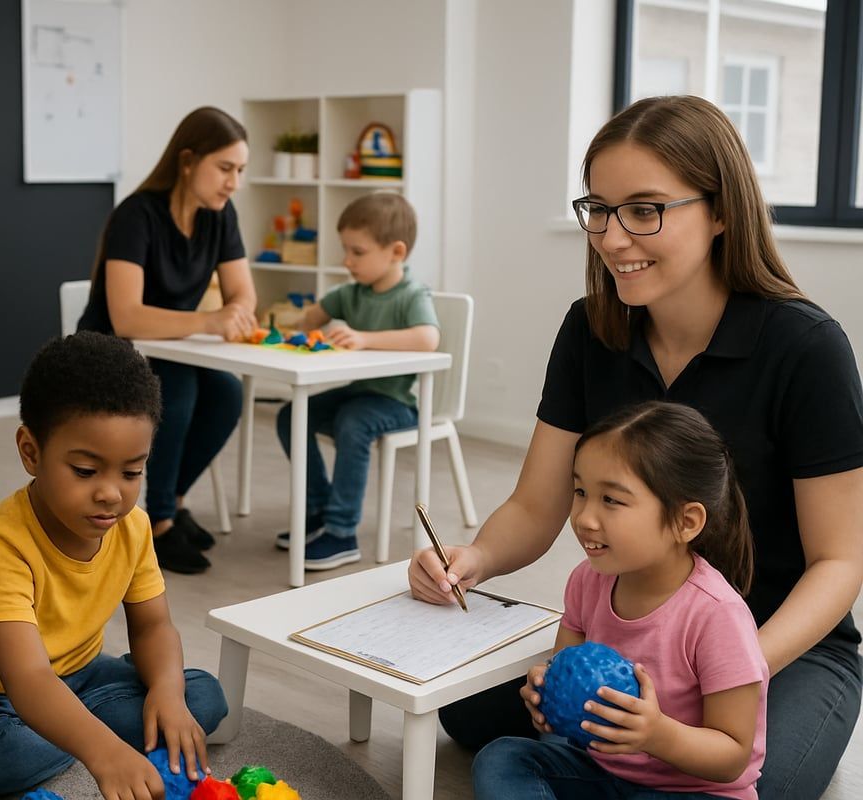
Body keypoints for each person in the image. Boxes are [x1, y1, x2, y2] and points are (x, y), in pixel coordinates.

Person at [409, 95, 863, 799]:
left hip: (777, 647)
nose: (614, 238)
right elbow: (536, 504)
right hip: (636, 636)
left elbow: (840, 562)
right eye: (600, 208)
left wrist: (726, 678)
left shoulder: (806, 348)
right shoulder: (592, 330)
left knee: (750, 782)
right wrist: (472, 559)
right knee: (466, 708)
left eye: (646, 209)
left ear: (719, 211)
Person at [0, 332, 226, 798]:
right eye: (85, 471)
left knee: (201, 695)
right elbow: (29, 678)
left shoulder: (133, 527)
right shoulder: (3, 544)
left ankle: (72, 726)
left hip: (82, 676)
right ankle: (85, 731)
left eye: (132, 472)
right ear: (31, 453)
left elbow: (153, 628)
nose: (111, 493)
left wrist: (166, 690)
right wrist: (104, 753)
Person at [473, 401, 767, 799]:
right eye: (580, 492)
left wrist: (656, 734)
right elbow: (560, 663)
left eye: (611, 500)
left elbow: (733, 755)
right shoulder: (586, 581)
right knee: (502, 758)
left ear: (686, 522)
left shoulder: (718, 615)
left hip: (691, 791)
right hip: (600, 769)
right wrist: (545, 692)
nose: (584, 518)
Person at [77, 106, 257, 575]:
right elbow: (126, 315)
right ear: (188, 161)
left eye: (240, 170)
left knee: (227, 393)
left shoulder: (221, 216)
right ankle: (156, 523)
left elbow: (243, 293)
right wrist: (212, 319)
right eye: (225, 168)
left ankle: (171, 501)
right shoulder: (137, 215)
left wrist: (231, 312)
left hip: (173, 348)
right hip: (110, 352)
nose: (233, 182)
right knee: (178, 388)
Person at [275, 193, 439, 570]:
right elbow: (310, 319)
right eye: (345, 250)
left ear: (396, 251)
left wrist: (365, 338)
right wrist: (308, 322)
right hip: (357, 395)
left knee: (354, 422)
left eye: (357, 252)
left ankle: (341, 531)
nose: (347, 261)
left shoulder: (412, 294)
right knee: (292, 416)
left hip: (398, 403)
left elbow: (427, 338)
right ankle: (316, 508)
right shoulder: (352, 293)